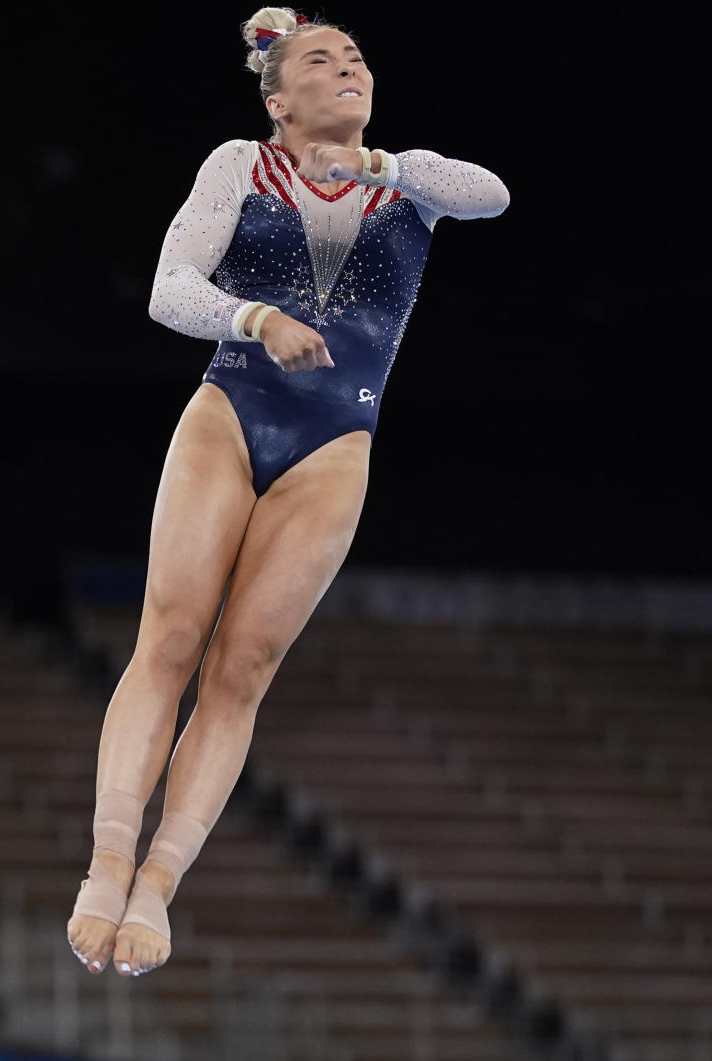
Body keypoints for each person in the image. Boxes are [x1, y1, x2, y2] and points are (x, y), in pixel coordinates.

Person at [67, 6, 509, 978]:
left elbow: (495, 196)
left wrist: (386, 170)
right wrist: (257, 317)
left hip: (335, 443)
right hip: (230, 413)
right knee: (171, 638)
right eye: (322, 57)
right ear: (278, 101)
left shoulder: (414, 184)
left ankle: (160, 883)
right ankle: (106, 862)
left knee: (242, 669)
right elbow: (168, 287)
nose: (349, 65)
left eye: (357, 55)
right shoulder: (240, 164)